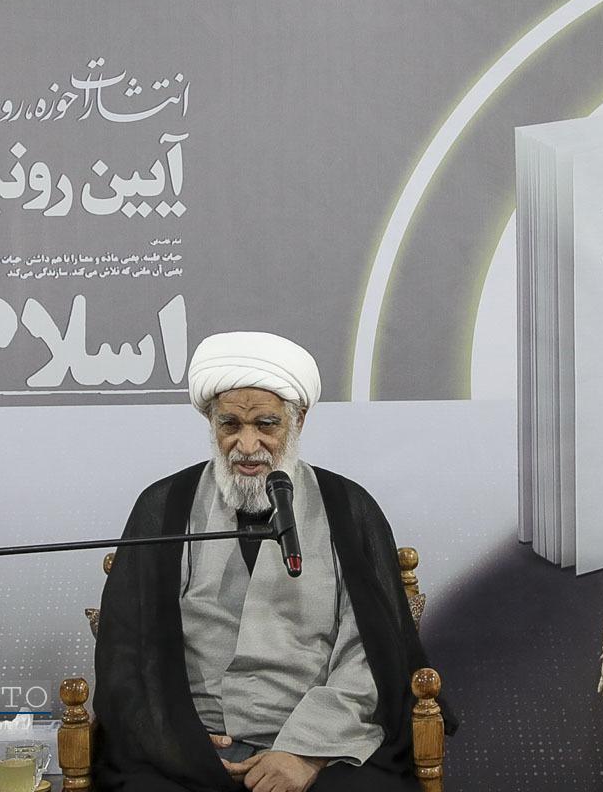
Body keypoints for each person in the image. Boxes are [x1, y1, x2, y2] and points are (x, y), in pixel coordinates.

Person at [92, 331, 452, 792]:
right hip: (189, 746)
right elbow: (125, 652)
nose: (247, 445)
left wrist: (305, 751)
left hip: (321, 746)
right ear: (211, 422)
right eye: (230, 425)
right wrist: (178, 743)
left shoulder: (348, 509)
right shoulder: (164, 507)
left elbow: (371, 652)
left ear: (299, 419)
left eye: (266, 424)